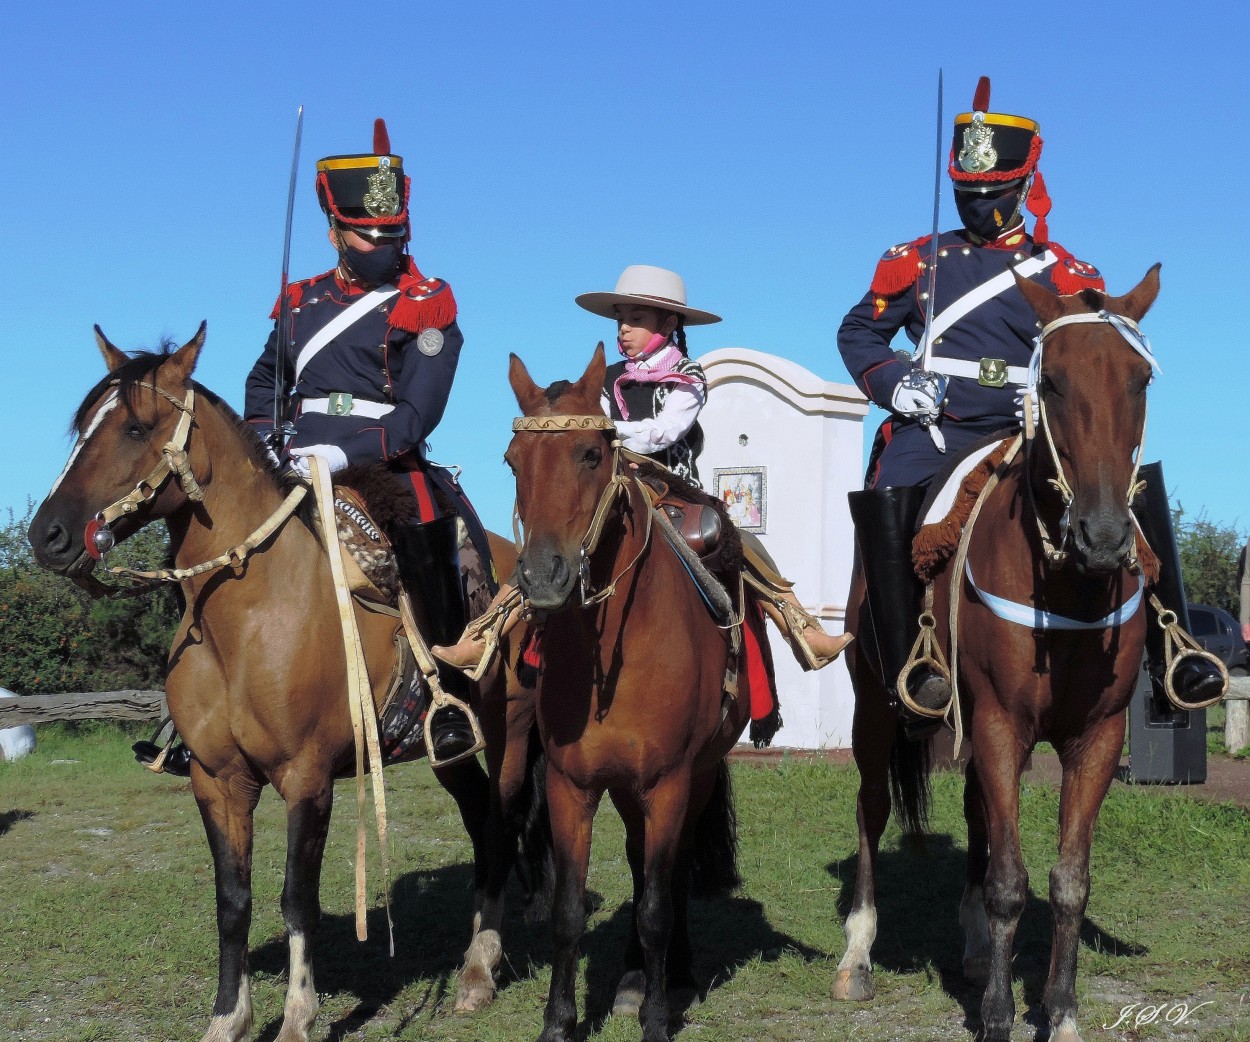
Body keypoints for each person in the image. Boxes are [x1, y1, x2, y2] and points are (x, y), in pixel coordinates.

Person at [837, 76, 1224, 729]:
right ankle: (910, 662)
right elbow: (860, 331)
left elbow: (1098, 357)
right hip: (941, 425)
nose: (979, 205)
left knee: (1124, 488)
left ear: (1024, 185)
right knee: (892, 494)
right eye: (968, 192)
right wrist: (895, 382)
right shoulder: (913, 262)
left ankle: (1175, 654)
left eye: (993, 192)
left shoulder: (1067, 272)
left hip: (1030, 423)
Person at [134, 119, 483, 775]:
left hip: (383, 461)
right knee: (211, 540)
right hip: (288, 459)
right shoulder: (299, 302)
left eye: (392, 232)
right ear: (335, 232)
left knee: (427, 535)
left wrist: (345, 455)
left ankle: (447, 693)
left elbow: (418, 411)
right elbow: (265, 380)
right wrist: (265, 442)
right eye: (368, 233)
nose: (384, 243)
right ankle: (196, 713)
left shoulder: (426, 303)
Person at [434, 264, 852, 675]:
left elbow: (665, 431)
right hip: (615, 484)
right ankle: (485, 634)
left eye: (635, 320)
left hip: (674, 489)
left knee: (733, 538)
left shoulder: (687, 376)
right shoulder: (606, 380)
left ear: (668, 323)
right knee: (549, 539)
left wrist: (606, 430)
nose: (623, 330)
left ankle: (798, 625)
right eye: (621, 321)